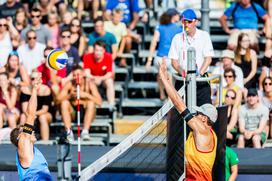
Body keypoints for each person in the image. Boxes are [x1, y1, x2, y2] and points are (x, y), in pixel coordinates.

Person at [159, 61, 218, 181]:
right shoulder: (210, 134)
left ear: (204, 118)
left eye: (198, 113)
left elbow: (178, 103)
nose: (195, 114)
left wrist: (163, 79)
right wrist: (169, 80)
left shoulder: (202, 130)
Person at [10, 73, 53, 180]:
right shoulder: (24, 142)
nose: (31, 131)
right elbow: (31, 114)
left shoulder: (30, 150)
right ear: (20, 137)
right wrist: (34, 89)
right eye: (24, 130)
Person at [169, 8, 214, 106]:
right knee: (180, 113)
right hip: (183, 80)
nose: (186, 24)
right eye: (184, 22)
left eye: (189, 21)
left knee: (204, 112)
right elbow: (174, 61)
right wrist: (182, 72)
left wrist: (199, 73)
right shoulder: (177, 38)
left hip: (201, 81)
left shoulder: (204, 36)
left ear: (196, 22)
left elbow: (208, 58)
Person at [57, 65, 102, 141]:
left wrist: (86, 95)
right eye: (74, 75)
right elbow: (57, 100)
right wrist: (69, 96)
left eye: (78, 75)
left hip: (86, 112)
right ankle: (68, 132)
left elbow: (99, 102)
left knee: (91, 103)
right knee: (64, 103)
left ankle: (85, 131)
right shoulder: (70, 84)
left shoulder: (89, 84)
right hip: (73, 113)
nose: (76, 77)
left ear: (83, 74)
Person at [145, 8, 182, 100]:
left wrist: (149, 60)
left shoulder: (160, 27)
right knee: (170, 77)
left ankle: (162, 93)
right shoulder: (179, 29)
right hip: (171, 57)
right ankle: (170, 95)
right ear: (174, 16)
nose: (179, 16)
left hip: (160, 56)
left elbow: (154, 42)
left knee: (160, 75)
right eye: (177, 15)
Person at [20, 71, 52, 141]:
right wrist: (31, 116)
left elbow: (45, 109)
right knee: (23, 116)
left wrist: (33, 114)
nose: (35, 81)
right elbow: (24, 109)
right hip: (30, 113)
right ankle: (22, 139)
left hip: (43, 114)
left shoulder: (46, 90)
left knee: (42, 117)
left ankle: (45, 141)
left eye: (37, 79)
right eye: (32, 79)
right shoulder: (25, 90)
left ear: (41, 80)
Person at [83, 40, 115, 106]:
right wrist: (95, 78)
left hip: (103, 79)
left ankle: (111, 104)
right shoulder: (87, 57)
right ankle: (86, 103)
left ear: (104, 51)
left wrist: (100, 78)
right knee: (86, 80)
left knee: (109, 81)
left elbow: (109, 73)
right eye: (96, 50)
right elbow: (87, 73)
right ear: (93, 50)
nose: (98, 52)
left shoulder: (108, 57)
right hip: (92, 79)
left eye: (100, 50)